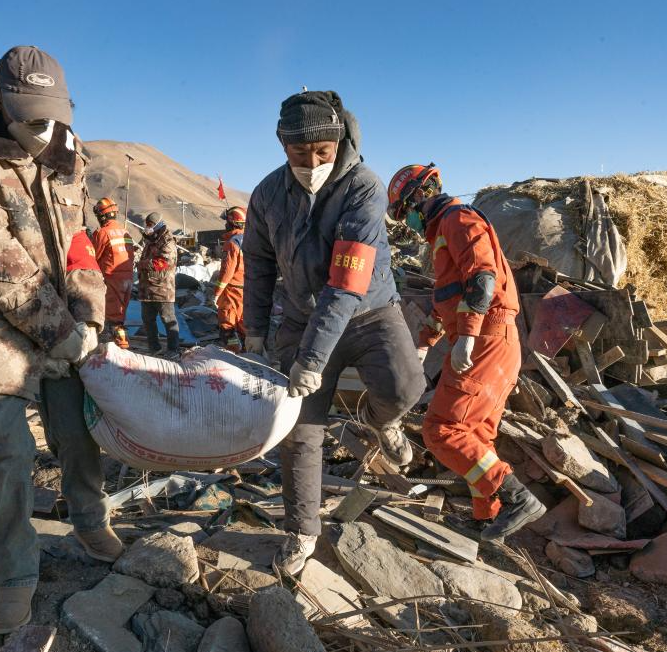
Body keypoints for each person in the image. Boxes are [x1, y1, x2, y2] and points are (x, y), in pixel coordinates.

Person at [0, 45, 123, 635]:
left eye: (52, 114)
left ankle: (90, 520)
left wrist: (88, 315)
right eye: (30, 116)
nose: (43, 129)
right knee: (5, 452)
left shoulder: (67, 149)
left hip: (59, 311)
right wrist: (60, 332)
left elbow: (79, 243)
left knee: (78, 428)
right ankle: (13, 573)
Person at [243, 91, 425, 575]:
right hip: (301, 319)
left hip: (369, 312)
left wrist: (313, 360)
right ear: (283, 147)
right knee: (300, 430)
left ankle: (382, 421)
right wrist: (256, 333)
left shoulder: (364, 187)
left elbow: (347, 282)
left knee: (407, 387)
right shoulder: (266, 194)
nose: (312, 162)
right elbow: (258, 268)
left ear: (339, 139)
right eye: (299, 154)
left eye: (322, 151)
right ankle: (301, 531)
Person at [387, 163, 546, 540]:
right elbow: (450, 298)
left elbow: (482, 277)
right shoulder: (443, 232)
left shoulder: (457, 220)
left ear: (418, 197)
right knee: (476, 435)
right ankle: (484, 517)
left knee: (441, 429)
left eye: (403, 211)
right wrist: (427, 341)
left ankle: (517, 497)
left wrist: (468, 337)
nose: (406, 220)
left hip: (486, 340)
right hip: (496, 342)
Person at [91, 197, 135, 349]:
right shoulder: (125, 232)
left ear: (102, 216)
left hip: (112, 278)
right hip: (128, 279)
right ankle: (118, 346)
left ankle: (119, 350)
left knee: (112, 316)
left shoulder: (102, 233)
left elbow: (93, 256)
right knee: (120, 315)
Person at [137, 212, 179, 357]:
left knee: (168, 320)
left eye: (150, 225)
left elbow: (164, 263)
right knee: (148, 321)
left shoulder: (167, 241)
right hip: (146, 289)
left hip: (162, 289)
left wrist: (142, 264)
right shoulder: (150, 240)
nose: (147, 228)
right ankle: (154, 348)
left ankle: (173, 350)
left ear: (158, 225)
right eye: (147, 225)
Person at [214, 206, 246, 352]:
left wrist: (217, 293)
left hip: (232, 291)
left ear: (232, 222)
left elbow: (227, 271)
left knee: (228, 324)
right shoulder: (250, 240)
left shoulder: (232, 243)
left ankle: (234, 352)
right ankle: (249, 354)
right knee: (244, 324)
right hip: (247, 289)